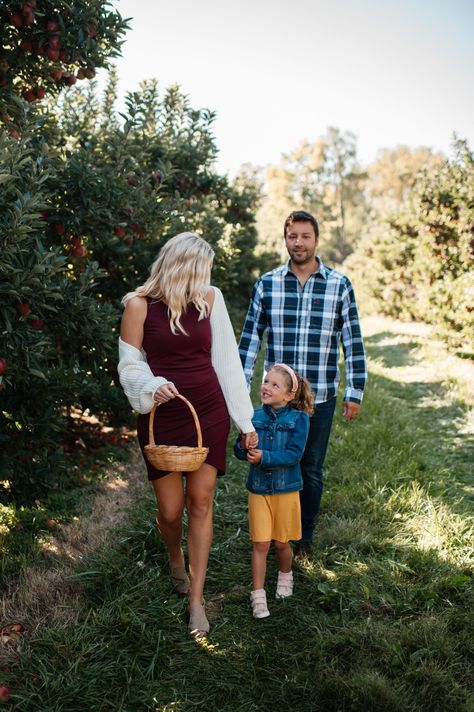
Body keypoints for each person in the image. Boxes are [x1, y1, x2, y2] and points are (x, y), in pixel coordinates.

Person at [117, 232, 258, 638]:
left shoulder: (210, 299)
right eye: (201, 271)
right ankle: (173, 552)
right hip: (162, 415)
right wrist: (151, 385)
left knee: (200, 502)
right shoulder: (138, 306)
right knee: (170, 511)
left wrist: (245, 423)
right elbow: (129, 366)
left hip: (208, 412)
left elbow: (227, 363)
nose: (206, 279)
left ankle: (197, 599)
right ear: (181, 267)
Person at [239, 210, 367, 558]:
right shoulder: (267, 284)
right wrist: (239, 388)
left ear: (316, 239)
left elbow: (352, 342)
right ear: (285, 239)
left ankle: (302, 536)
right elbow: (250, 340)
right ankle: (272, 531)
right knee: (272, 461)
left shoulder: (339, 285)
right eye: (292, 236)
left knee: (310, 467)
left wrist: (354, 392)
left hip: (319, 397)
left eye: (305, 236)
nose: (298, 242)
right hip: (276, 401)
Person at [234, 363, 313, 618]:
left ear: (289, 395)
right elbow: (238, 450)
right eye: (266, 381)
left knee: (281, 543)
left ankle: (285, 575)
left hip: (286, 489)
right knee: (261, 544)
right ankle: (258, 595)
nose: (266, 387)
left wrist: (264, 457)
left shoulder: (299, 419)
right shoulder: (252, 416)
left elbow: (294, 454)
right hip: (258, 490)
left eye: (274, 384)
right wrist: (244, 445)